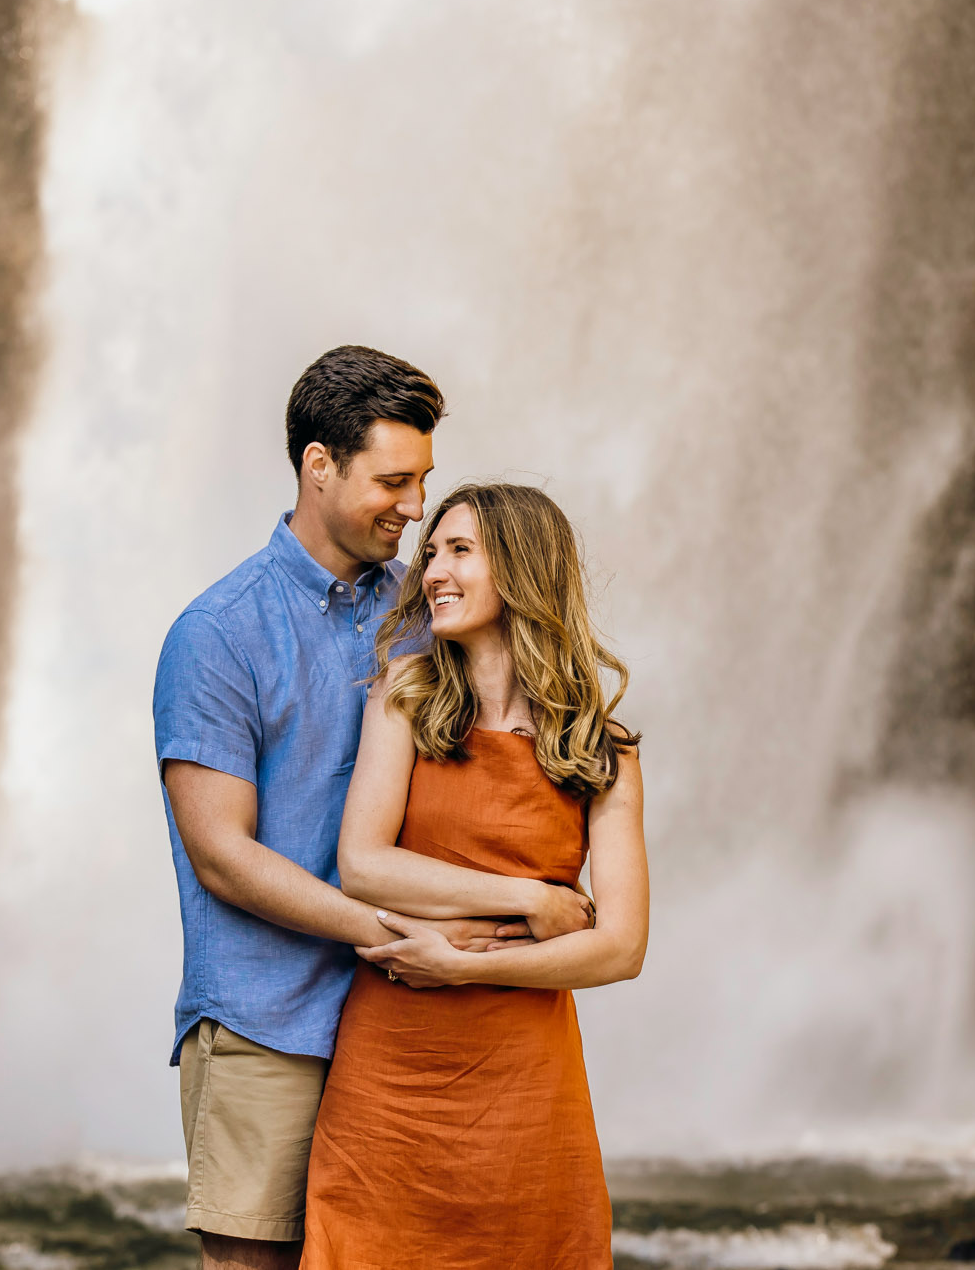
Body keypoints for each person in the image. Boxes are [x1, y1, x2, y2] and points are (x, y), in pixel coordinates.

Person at [153, 348, 598, 1270]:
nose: (413, 507)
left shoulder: (427, 604)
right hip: (270, 1022)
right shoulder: (218, 634)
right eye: (394, 481)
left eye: (424, 482)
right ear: (320, 466)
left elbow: (524, 756)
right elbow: (223, 856)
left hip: (409, 1031)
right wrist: (420, 930)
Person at [299, 481, 648, 1270]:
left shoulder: (602, 746)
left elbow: (622, 947)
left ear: (522, 570)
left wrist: (462, 966)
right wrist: (529, 898)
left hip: (525, 1090)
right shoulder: (403, 697)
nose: (432, 571)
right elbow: (362, 864)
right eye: (432, 552)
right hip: (389, 1085)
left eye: (459, 551)